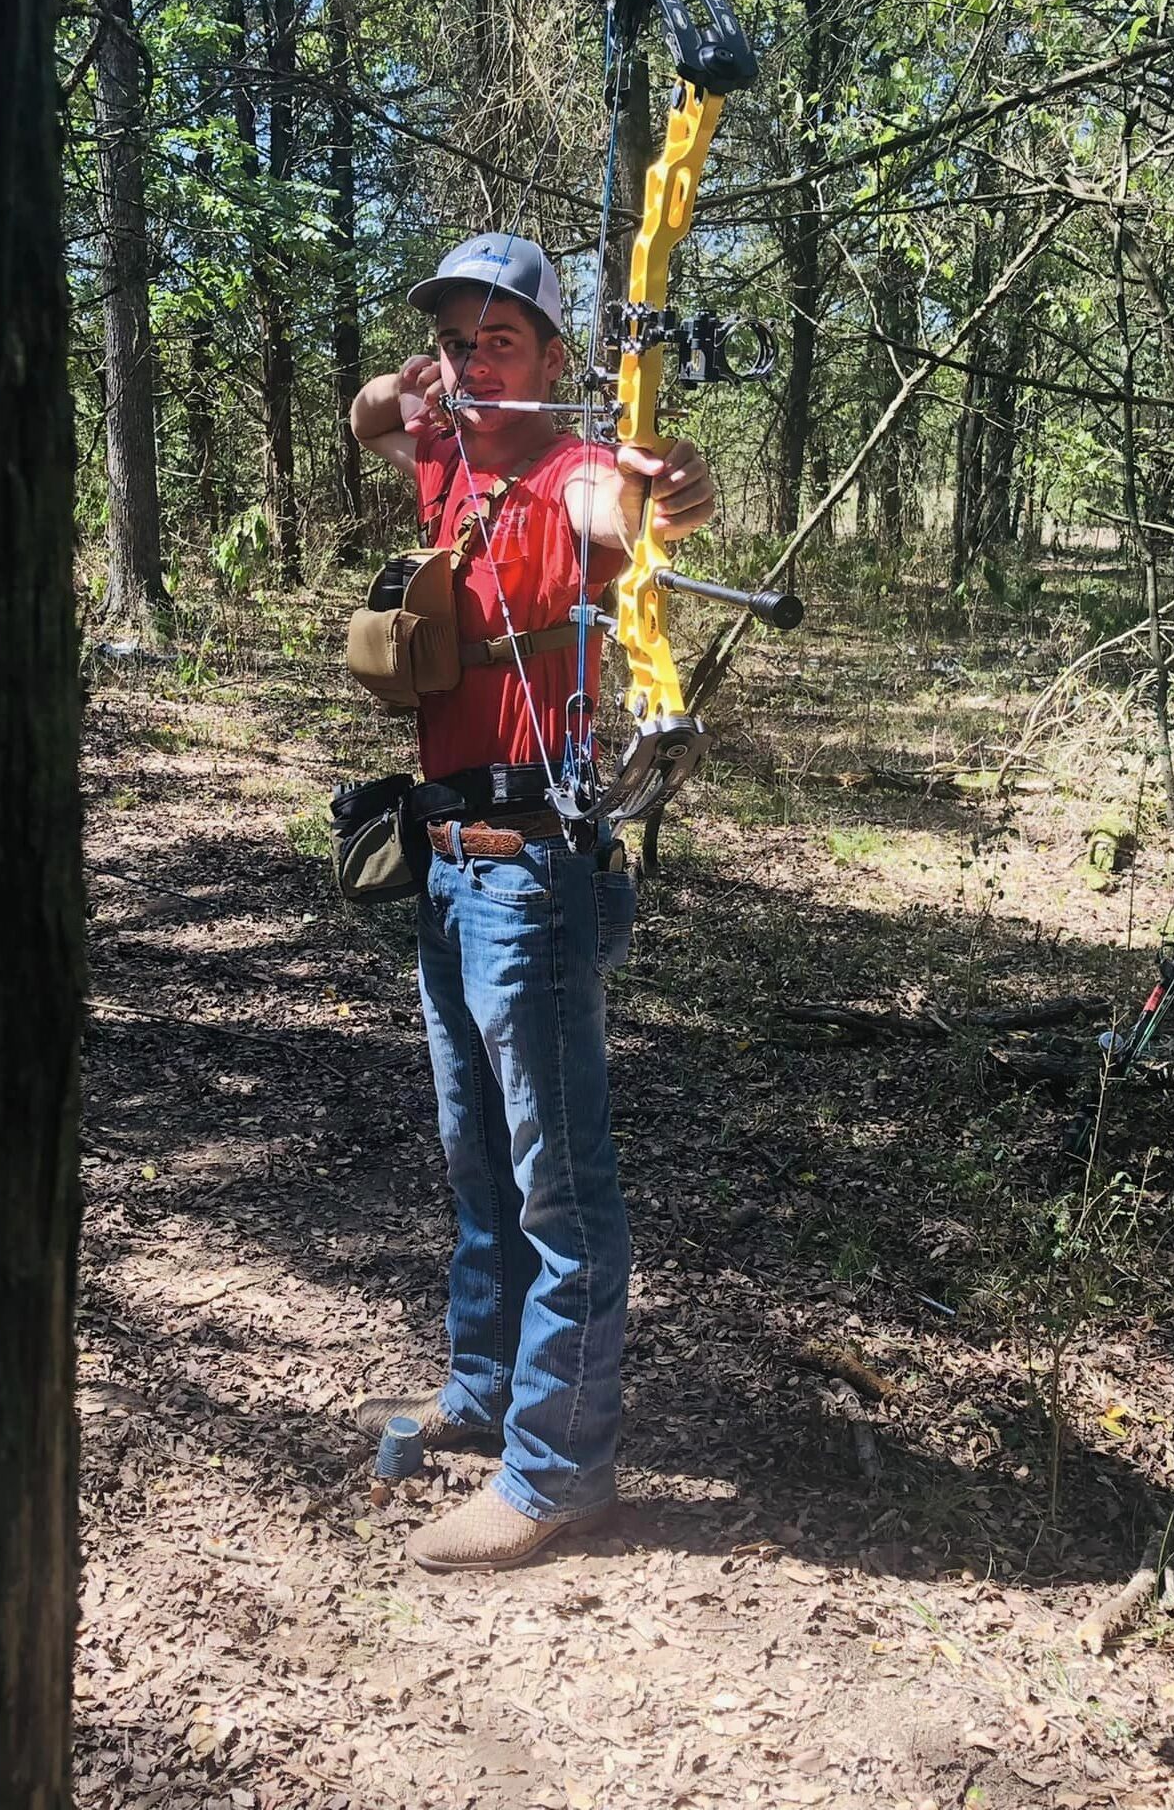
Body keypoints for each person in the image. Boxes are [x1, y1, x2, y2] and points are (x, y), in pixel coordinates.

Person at [348, 233, 715, 1573]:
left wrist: (668, 480)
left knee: (559, 1180)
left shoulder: (568, 478)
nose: (469, 361)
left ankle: (557, 1474)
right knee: (476, 1159)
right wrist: (409, 391)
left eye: (497, 342)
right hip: (446, 863)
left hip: (532, 875)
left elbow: (651, 511)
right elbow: (367, 416)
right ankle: (490, 1393)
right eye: (456, 340)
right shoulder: (452, 461)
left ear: (557, 363)